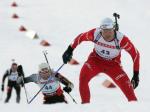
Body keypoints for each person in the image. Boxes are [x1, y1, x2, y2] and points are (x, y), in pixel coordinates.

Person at [62, 17, 140, 103]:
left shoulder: (121, 39)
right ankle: (85, 107)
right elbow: (80, 37)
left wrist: (136, 75)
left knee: (130, 92)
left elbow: (135, 54)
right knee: (83, 77)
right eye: (104, 30)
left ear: (114, 29)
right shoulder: (95, 33)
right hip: (95, 60)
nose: (107, 34)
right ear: (100, 29)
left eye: (109, 30)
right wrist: (69, 50)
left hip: (113, 65)